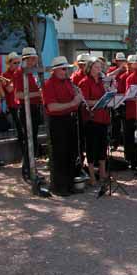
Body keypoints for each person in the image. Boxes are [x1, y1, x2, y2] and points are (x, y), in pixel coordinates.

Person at [42, 56, 80, 196]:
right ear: (56, 70)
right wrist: (72, 103)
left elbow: (74, 97)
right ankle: (60, 186)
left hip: (70, 119)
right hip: (58, 121)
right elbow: (51, 107)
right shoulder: (49, 84)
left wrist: (78, 97)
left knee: (71, 153)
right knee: (60, 154)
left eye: (67, 69)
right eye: (64, 69)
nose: (66, 71)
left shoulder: (68, 82)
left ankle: (69, 184)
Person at [79, 57, 111, 186]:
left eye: (100, 68)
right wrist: (99, 101)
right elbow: (84, 101)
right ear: (89, 68)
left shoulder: (102, 81)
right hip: (91, 119)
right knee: (92, 148)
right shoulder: (85, 82)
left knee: (103, 146)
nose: (99, 70)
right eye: (96, 67)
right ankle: (92, 176)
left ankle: (102, 173)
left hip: (103, 117)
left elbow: (106, 96)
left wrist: (109, 93)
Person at [13, 47, 43, 181]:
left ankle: (31, 167)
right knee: (29, 140)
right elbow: (19, 94)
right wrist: (38, 94)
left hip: (35, 107)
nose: (34, 61)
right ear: (26, 59)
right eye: (32, 58)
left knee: (34, 140)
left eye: (35, 58)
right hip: (26, 109)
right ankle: (26, 169)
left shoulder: (32, 72)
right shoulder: (19, 73)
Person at [1, 52, 24, 146]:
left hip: (22, 101)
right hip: (13, 104)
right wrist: (15, 78)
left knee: (24, 124)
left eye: (19, 63)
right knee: (19, 125)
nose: (17, 65)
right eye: (15, 63)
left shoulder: (21, 72)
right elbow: (9, 89)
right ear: (9, 63)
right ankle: (22, 143)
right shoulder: (5, 74)